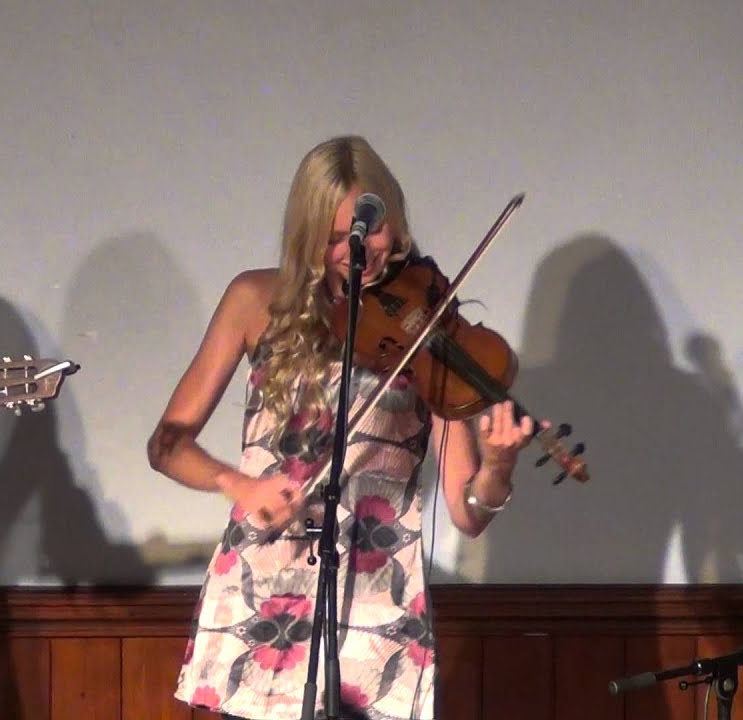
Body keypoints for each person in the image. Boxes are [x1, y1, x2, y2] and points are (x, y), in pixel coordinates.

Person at [147, 135, 538, 720]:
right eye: (333, 238)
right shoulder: (255, 299)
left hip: (378, 605)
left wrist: (500, 468)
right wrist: (241, 486)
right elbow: (166, 445)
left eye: (369, 230)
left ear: (395, 219)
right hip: (262, 589)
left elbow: (468, 512)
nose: (354, 251)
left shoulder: (428, 325)